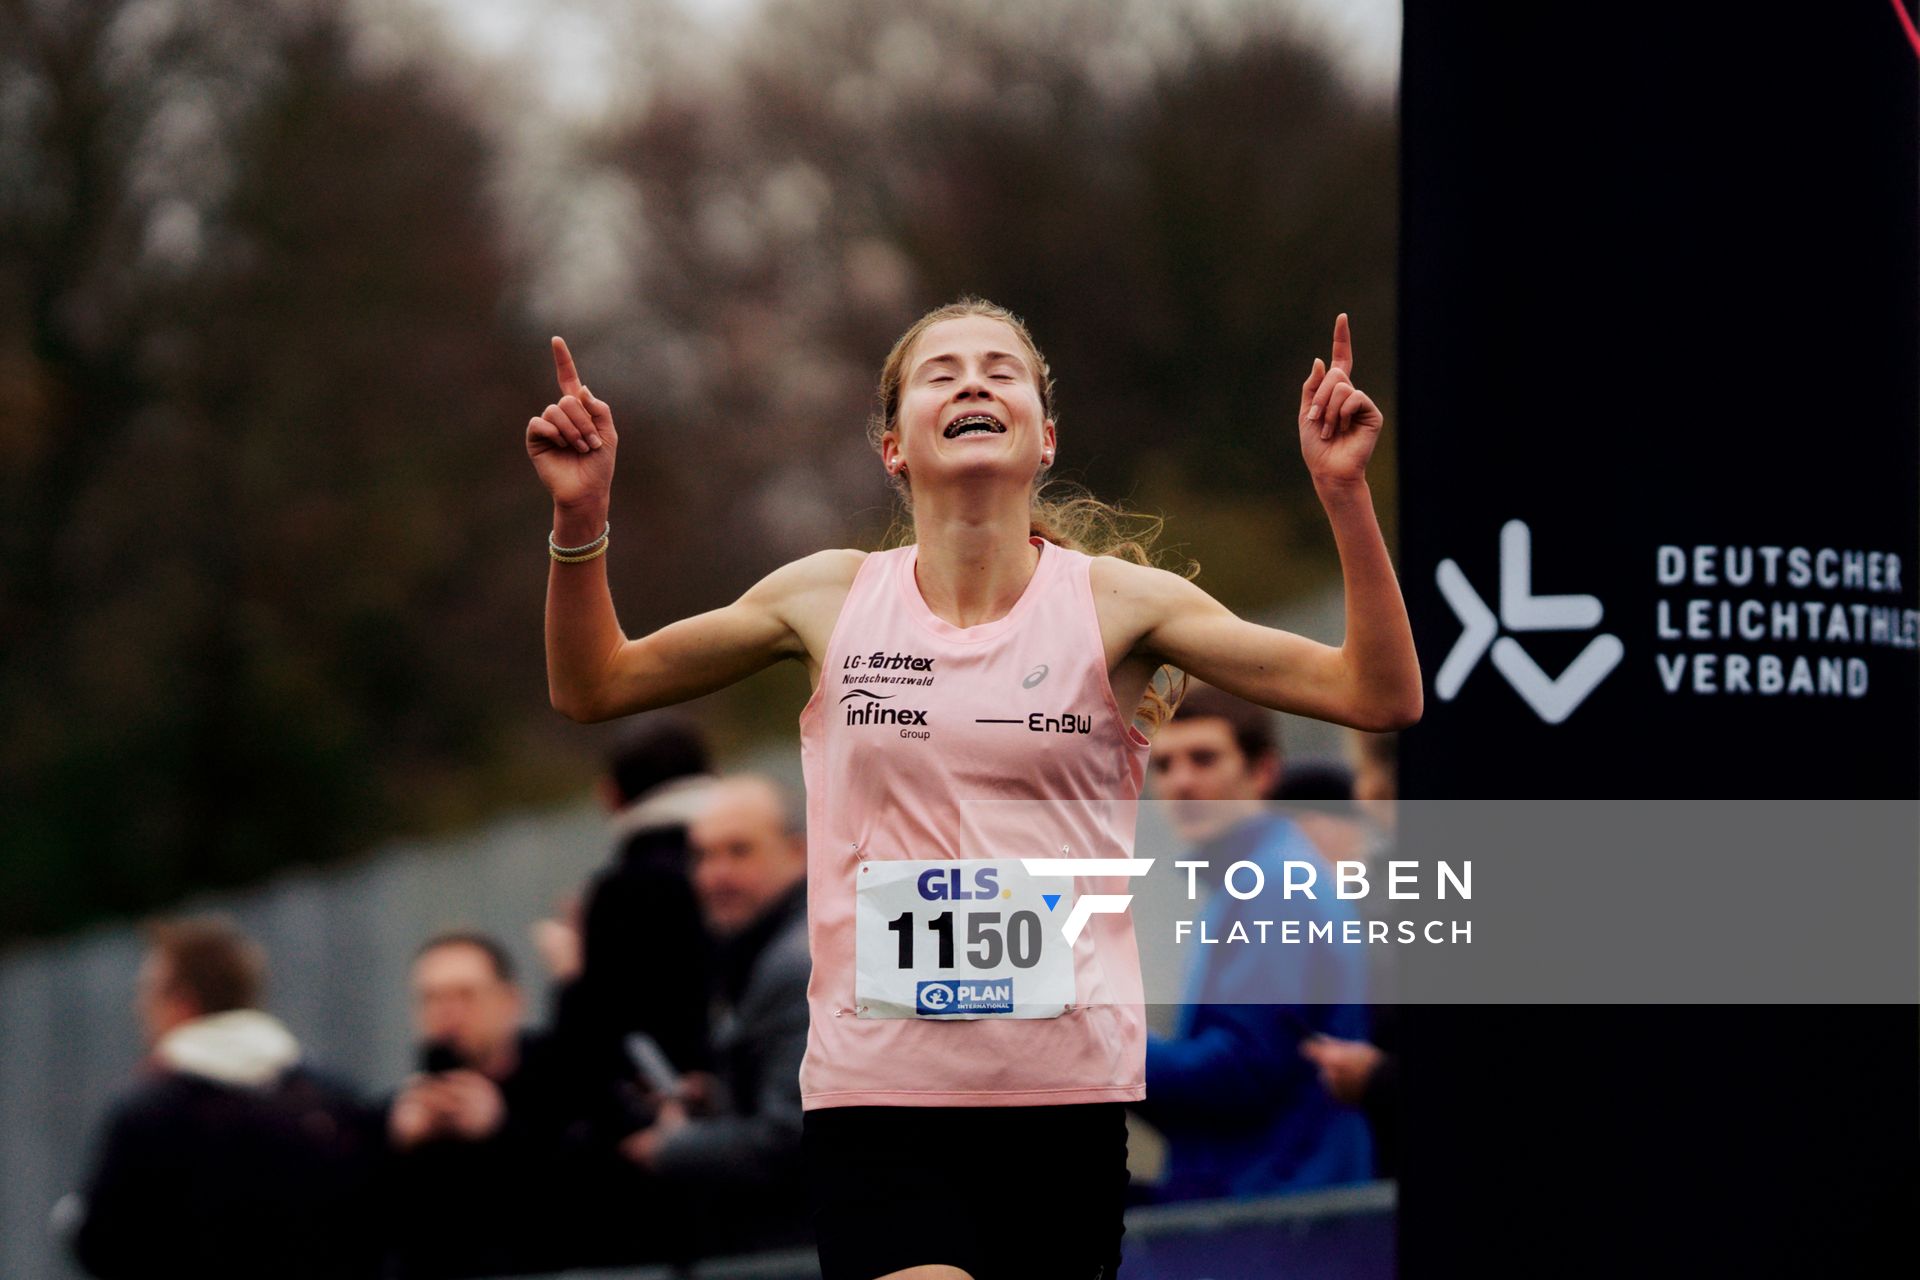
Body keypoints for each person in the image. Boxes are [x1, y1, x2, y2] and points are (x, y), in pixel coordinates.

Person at [527, 297, 1421, 1279]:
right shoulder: (826, 597)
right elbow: (593, 685)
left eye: (1002, 370)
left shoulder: (1119, 605)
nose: (972, 383)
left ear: (1046, 437)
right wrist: (580, 519)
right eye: (940, 372)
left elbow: (1377, 694)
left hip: (1062, 1103)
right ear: (892, 445)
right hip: (878, 1101)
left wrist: (1345, 493)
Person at [1134, 684, 1372, 1201]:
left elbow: (1240, 1073)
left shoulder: (1274, 884)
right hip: (1269, 1205)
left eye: (1204, 758)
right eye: (1165, 765)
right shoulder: (1249, 881)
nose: (1181, 782)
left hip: (1281, 1215)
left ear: (1263, 772)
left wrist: (1097, 1045)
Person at [63, 915, 383, 1280]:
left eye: (147, 992)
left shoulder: (148, 1114)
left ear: (182, 1003)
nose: (138, 1007)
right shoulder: (334, 1100)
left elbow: (102, 1245)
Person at [384, 932, 675, 1277]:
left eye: (466, 995)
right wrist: (397, 1147)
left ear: (510, 1002)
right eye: (431, 998)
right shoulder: (405, 1110)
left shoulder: (569, 1079)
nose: (447, 1012)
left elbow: (601, 1203)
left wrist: (499, 1132)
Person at [620, 774, 813, 1254]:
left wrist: (668, 1148)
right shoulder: (760, 946)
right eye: (702, 856)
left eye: (739, 851)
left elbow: (794, 1138)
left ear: (798, 852)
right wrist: (721, 1098)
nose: (714, 875)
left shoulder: (796, 964)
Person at [540, 717, 718, 1126]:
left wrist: (572, 973)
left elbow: (592, 1043)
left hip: (677, 1122)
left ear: (610, 796)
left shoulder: (620, 892)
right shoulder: (766, 862)